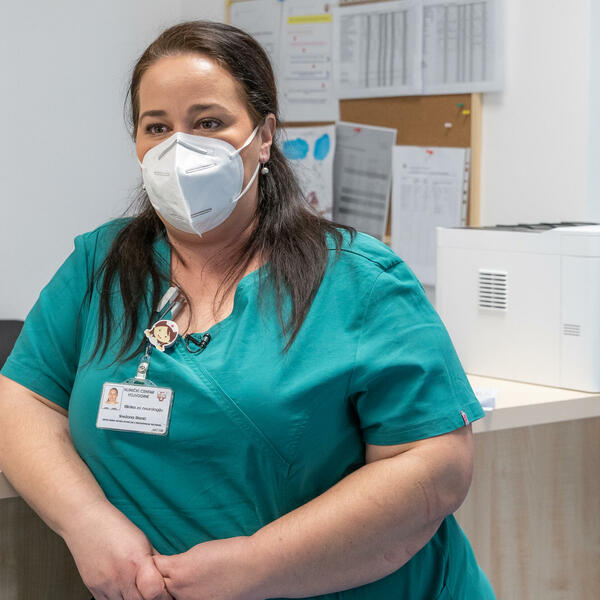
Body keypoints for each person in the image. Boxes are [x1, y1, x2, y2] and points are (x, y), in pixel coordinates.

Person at [0, 21, 495, 600]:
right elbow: (22, 399)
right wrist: (85, 522)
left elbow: (436, 466)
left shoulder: (358, 280)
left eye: (209, 123)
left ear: (264, 138)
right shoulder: (100, 264)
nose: (179, 148)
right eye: (157, 127)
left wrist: (259, 565)